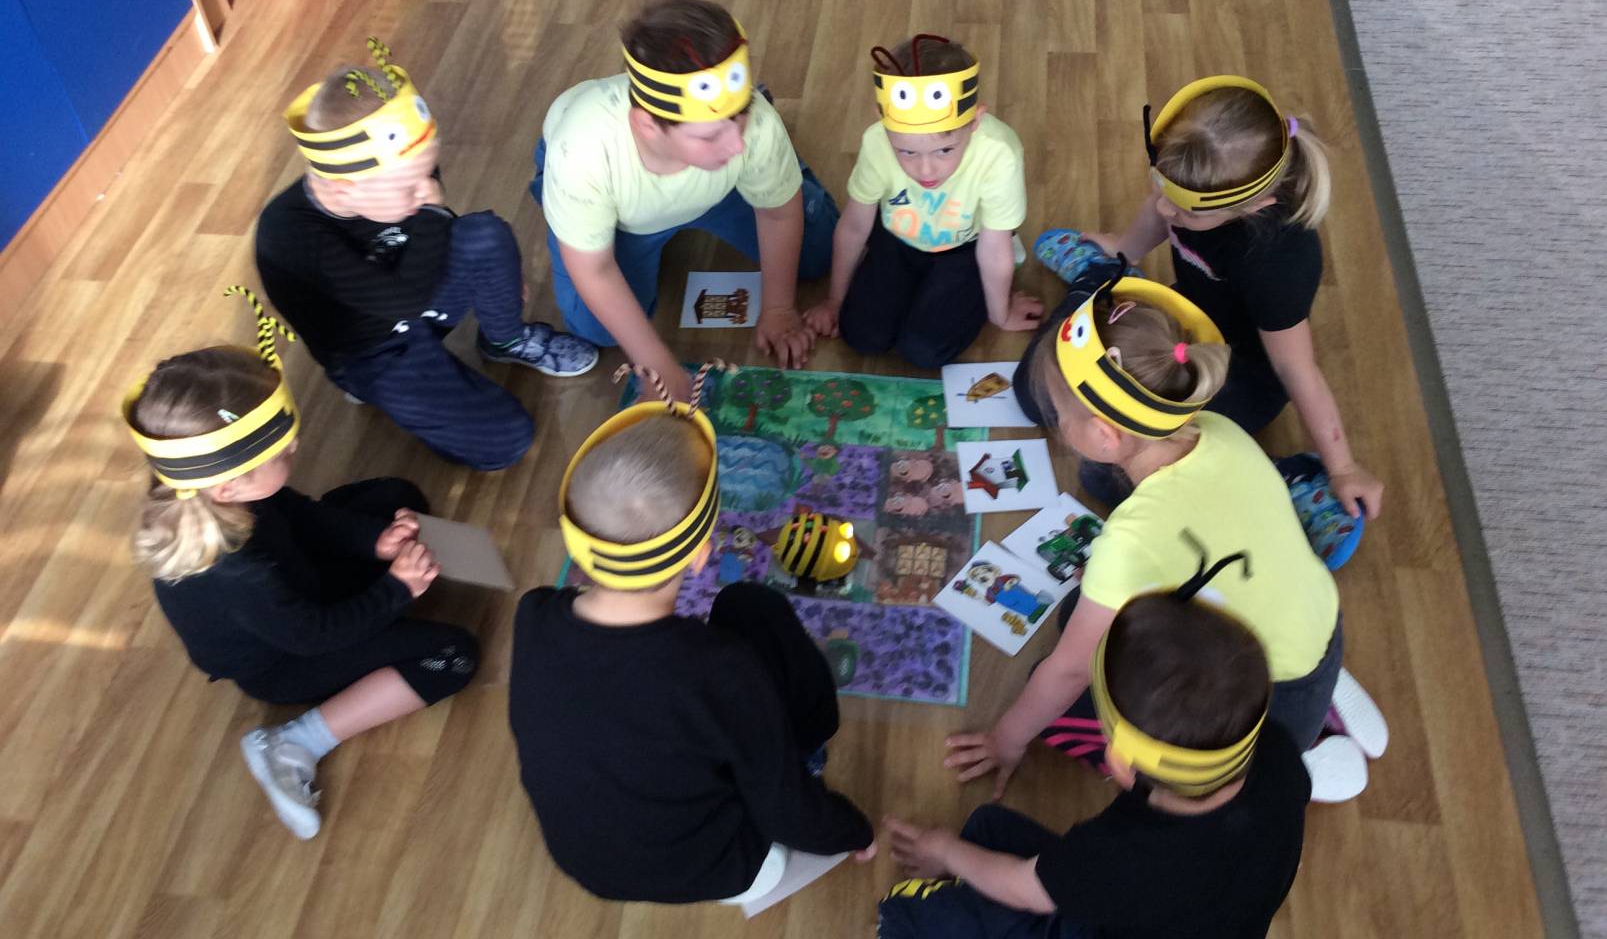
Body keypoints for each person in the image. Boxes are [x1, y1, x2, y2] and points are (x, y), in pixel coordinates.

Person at [947, 276, 1370, 801]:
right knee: (1079, 613)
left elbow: (1069, 671)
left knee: (1067, 709)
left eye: (1058, 416)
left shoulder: (1132, 539)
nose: (1055, 426)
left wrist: (1005, 740)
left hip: (1266, 704)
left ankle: (1299, 761)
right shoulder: (1219, 429)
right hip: (1320, 624)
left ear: (1105, 436)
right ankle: (1324, 696)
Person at [507, 371, 873, 905]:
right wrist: (854, 831)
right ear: (701, 554)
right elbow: (788, 811)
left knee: (740, 619)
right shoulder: (723, 669)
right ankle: (810, 749)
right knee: (753, 607)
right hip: (722, 867)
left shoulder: (534, 613)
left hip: (585, 865)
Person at [122, 292, 478, 840]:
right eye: (283, 452)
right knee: (453, 656)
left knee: (396, 498)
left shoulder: (217, 490)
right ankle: (296, 741)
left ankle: (386, 558)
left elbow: (300, 515)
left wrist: (376, 542)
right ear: (229, 486)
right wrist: (396, 590)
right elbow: (316, 636)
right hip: (286, 657)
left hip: (297, 584)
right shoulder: (237, 572)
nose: (295, 452)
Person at [880, 575, 1311, 939]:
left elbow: (1023, 890)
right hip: (1204, 908)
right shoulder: (1279, 750)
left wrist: (944, 850)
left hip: (1118, 911)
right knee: (987, 827)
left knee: (906, 912)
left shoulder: (1120, 858)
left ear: (1120, 763)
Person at [1033, 75, 1382, 520]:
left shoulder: (1277, 263)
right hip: (1183, 326)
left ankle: (1281, 482)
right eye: (1161, 187)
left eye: (1184, 211)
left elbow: (1296, 369)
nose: (1165, 208)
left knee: (1106, 476)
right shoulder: (1192, 186)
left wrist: (1343, 468)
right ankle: (1104, 273)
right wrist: (1123, 251)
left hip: (1238, 373)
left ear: (1255, 205)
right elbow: (1160, 212)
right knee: (1055, 390)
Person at [256, 38, 597, 471]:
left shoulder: (396, 177)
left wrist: (492, 277)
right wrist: (434, 215)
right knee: (506, 442)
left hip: (416, 294)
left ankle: (505, 339)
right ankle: (378, 390)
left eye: (428, 171)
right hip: (373, 348)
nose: (429, 189)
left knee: (484, 235)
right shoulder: (292, 235)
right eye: (411, 187)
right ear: (342, 190)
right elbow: (406, 295)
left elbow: (441, 229)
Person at [532, 0, 839, 402]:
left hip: (720, 189)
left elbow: (779, 214)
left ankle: (775, 165)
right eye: (711, 134)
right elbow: (595, 269)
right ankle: (568, 208)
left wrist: (779, 309)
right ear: (647, 126)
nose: (736, 142)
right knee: (598, 330)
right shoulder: (581, 153)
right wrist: (656, 365)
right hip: (625, 213)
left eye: (741, 114)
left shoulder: (751, 130)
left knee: (819, 253)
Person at [802, 34, 1041, 366]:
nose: (925, 170)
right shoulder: (876, 142)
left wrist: (999, 313)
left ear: (975, 121)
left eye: (944, 150)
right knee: (861, 336)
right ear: (882, 121)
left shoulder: (999, 153)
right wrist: (834, 300)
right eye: (907, 152)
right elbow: (855, 225)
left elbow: (994, 245)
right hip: (897, 238)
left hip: (967, 247)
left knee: (925, 352)